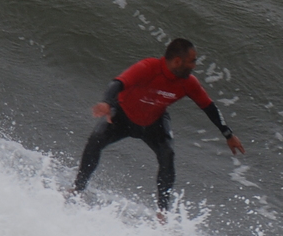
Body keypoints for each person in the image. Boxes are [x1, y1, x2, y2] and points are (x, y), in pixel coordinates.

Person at [71, 38, 245, 215]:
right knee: (95, 141)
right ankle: (77, 190)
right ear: (178, 61)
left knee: (167, 155)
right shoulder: (148, 67)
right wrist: (106, 102)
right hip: (122, 116)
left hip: (154, 123)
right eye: (192, 61)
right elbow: (117, 83)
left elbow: (209, 107)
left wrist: (228, 135)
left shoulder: (188, 83)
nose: (194, 66)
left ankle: (163, 213)